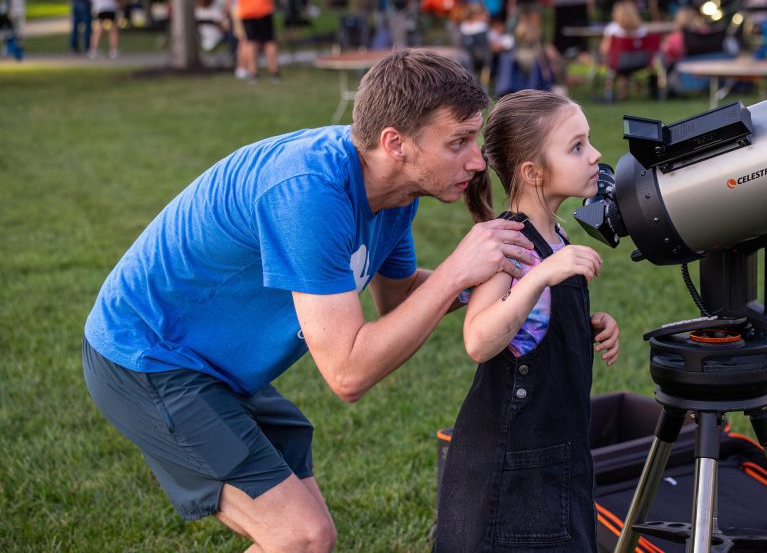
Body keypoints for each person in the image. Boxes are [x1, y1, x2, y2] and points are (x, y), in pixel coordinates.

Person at [82, 49, 536, 551]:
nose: (477, 161)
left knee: (308, 539)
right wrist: (456, 271)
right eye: (458, 142)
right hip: (149, 358)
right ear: (396, 143)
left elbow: (402, 298)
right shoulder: (310, 193)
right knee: (301, 536)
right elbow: (348, 373)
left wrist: (508, 279)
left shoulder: (395, 194)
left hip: (216, 367)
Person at [435, 89, 621, 551]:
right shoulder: (509, 244)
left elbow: (534, 326)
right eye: (576, 146)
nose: (595, 154)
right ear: (532, 172)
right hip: (511, 473)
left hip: (555, 455)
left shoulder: (556, 236)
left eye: (588, 141)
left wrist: (587, 325)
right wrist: (541, 275)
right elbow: (479, 340)